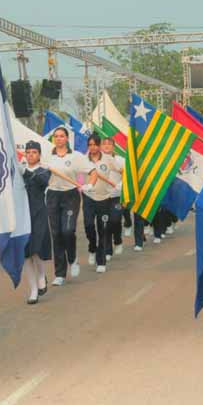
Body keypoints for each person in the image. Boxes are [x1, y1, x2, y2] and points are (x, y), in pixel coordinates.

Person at [43, 127, 92, 286]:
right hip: (53, 196)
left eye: (61, 136)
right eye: (56, 136)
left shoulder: (76, 156)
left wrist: (90, 185)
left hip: (70, 195)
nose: (58, 139)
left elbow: (92, 171)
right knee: (56, 234)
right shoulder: (47, 156)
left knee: (68, 231)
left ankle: (73, 258)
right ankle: (60, 274)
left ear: (66, 138)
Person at [81, 135, 125, 273]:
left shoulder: (108, 159)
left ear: (99, 146)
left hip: (104, 199)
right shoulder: (83, 160)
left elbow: (123, 171)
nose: (92, 147)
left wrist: (121, 184)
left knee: (103, 229)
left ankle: (101, 261)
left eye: (95, 145)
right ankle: (92, 248)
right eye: (90, 145)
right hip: (88, 197)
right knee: (89, 226)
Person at [21, 141, 52, 304]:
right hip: (22, 215)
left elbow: (42, 181)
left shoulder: (44, 171)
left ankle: (41, 276)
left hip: (38, 213)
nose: (31, 155)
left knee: (37, 249)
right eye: (28, 152)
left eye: (34, 152)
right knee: (26, 254)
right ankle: (33, 290)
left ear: (39, 154)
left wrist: (25, 172)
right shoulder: (19, 170)